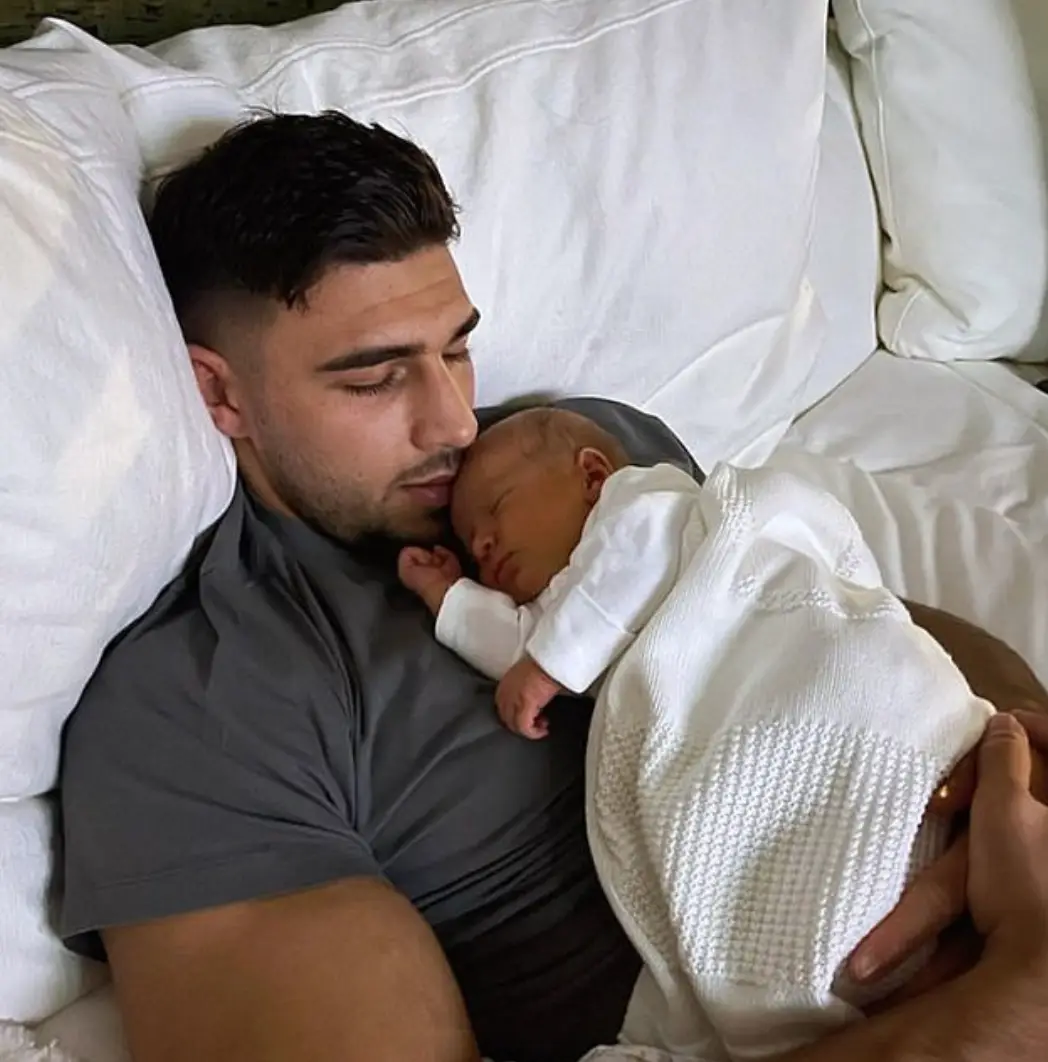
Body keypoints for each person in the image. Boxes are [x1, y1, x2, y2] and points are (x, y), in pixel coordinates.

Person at [57, 112, 1048, 1062]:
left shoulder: (568, 457)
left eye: (455, 348)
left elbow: (832, 614)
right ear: (219, 390)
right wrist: (1006, 1012)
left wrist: (1011, 758)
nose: (454, 423)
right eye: (375, 379)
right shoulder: (207, 706)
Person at [399, 406, 995, 1058]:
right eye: (472, 544)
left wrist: (547, 666)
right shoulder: (565, 616)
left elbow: (624, 571)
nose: (483, 545)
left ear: (592, 476)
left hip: (802, 661)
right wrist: (450, 599)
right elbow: (524, 651)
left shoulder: (646, 507)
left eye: (497, 510)